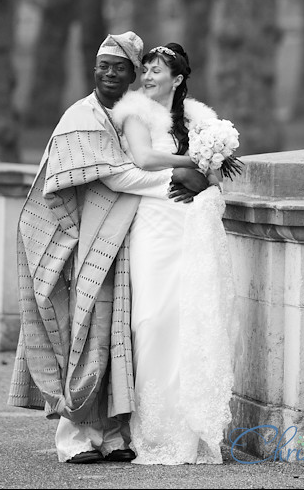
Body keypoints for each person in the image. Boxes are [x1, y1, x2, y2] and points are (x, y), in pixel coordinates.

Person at [7, 32, 210, 465]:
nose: (110, 74)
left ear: (133, 75)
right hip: (81, 241)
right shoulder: (82, 117)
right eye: (104, 66)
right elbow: (117, 177)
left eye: (120, 68)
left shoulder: (128, 113)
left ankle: (114, 434)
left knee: (117, 338)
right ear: (94, 69)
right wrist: (178, 180)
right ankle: (74, 437)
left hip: (122, 240)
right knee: (83, 334)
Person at [108, 42, 237, 465]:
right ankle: (150, 429)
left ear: (177, 79)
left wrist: (205, 172)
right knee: (152, 318)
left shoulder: (199, 118)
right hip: (153, 226)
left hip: (190, 225)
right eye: (145, 69)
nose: (146, 77)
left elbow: (216, 177)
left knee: (191, 319)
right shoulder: (134, 112)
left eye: (156, 71)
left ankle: (189, 431)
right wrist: (190, 161)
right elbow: (143, 158)